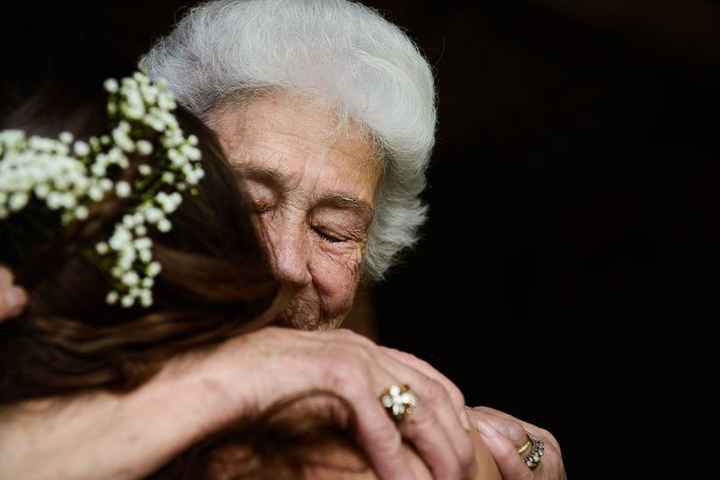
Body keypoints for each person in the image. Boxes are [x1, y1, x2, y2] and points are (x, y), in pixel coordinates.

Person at [2, 1, 566, 478]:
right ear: (147, 194)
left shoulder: (383, 442)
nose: (287, 262)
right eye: (250, 205)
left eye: (333, 232)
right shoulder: (35, 342)